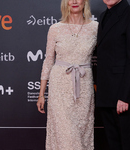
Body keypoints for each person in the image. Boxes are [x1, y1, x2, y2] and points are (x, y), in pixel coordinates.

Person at [36, 0, 98, 149]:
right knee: (65, 132)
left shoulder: (96, 27)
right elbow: (49, 60)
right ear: (66, 3)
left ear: (85, 2)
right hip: (59, 86)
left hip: (84, 85)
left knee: (82, 131)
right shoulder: (55, 28)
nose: (75, 1)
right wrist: (41, 93)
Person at [96, 0, 130, 149]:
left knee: (128, 145)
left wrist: (125, 97)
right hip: (105, 96)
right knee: (113, 145)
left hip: (124, 98)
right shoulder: (103, 16)